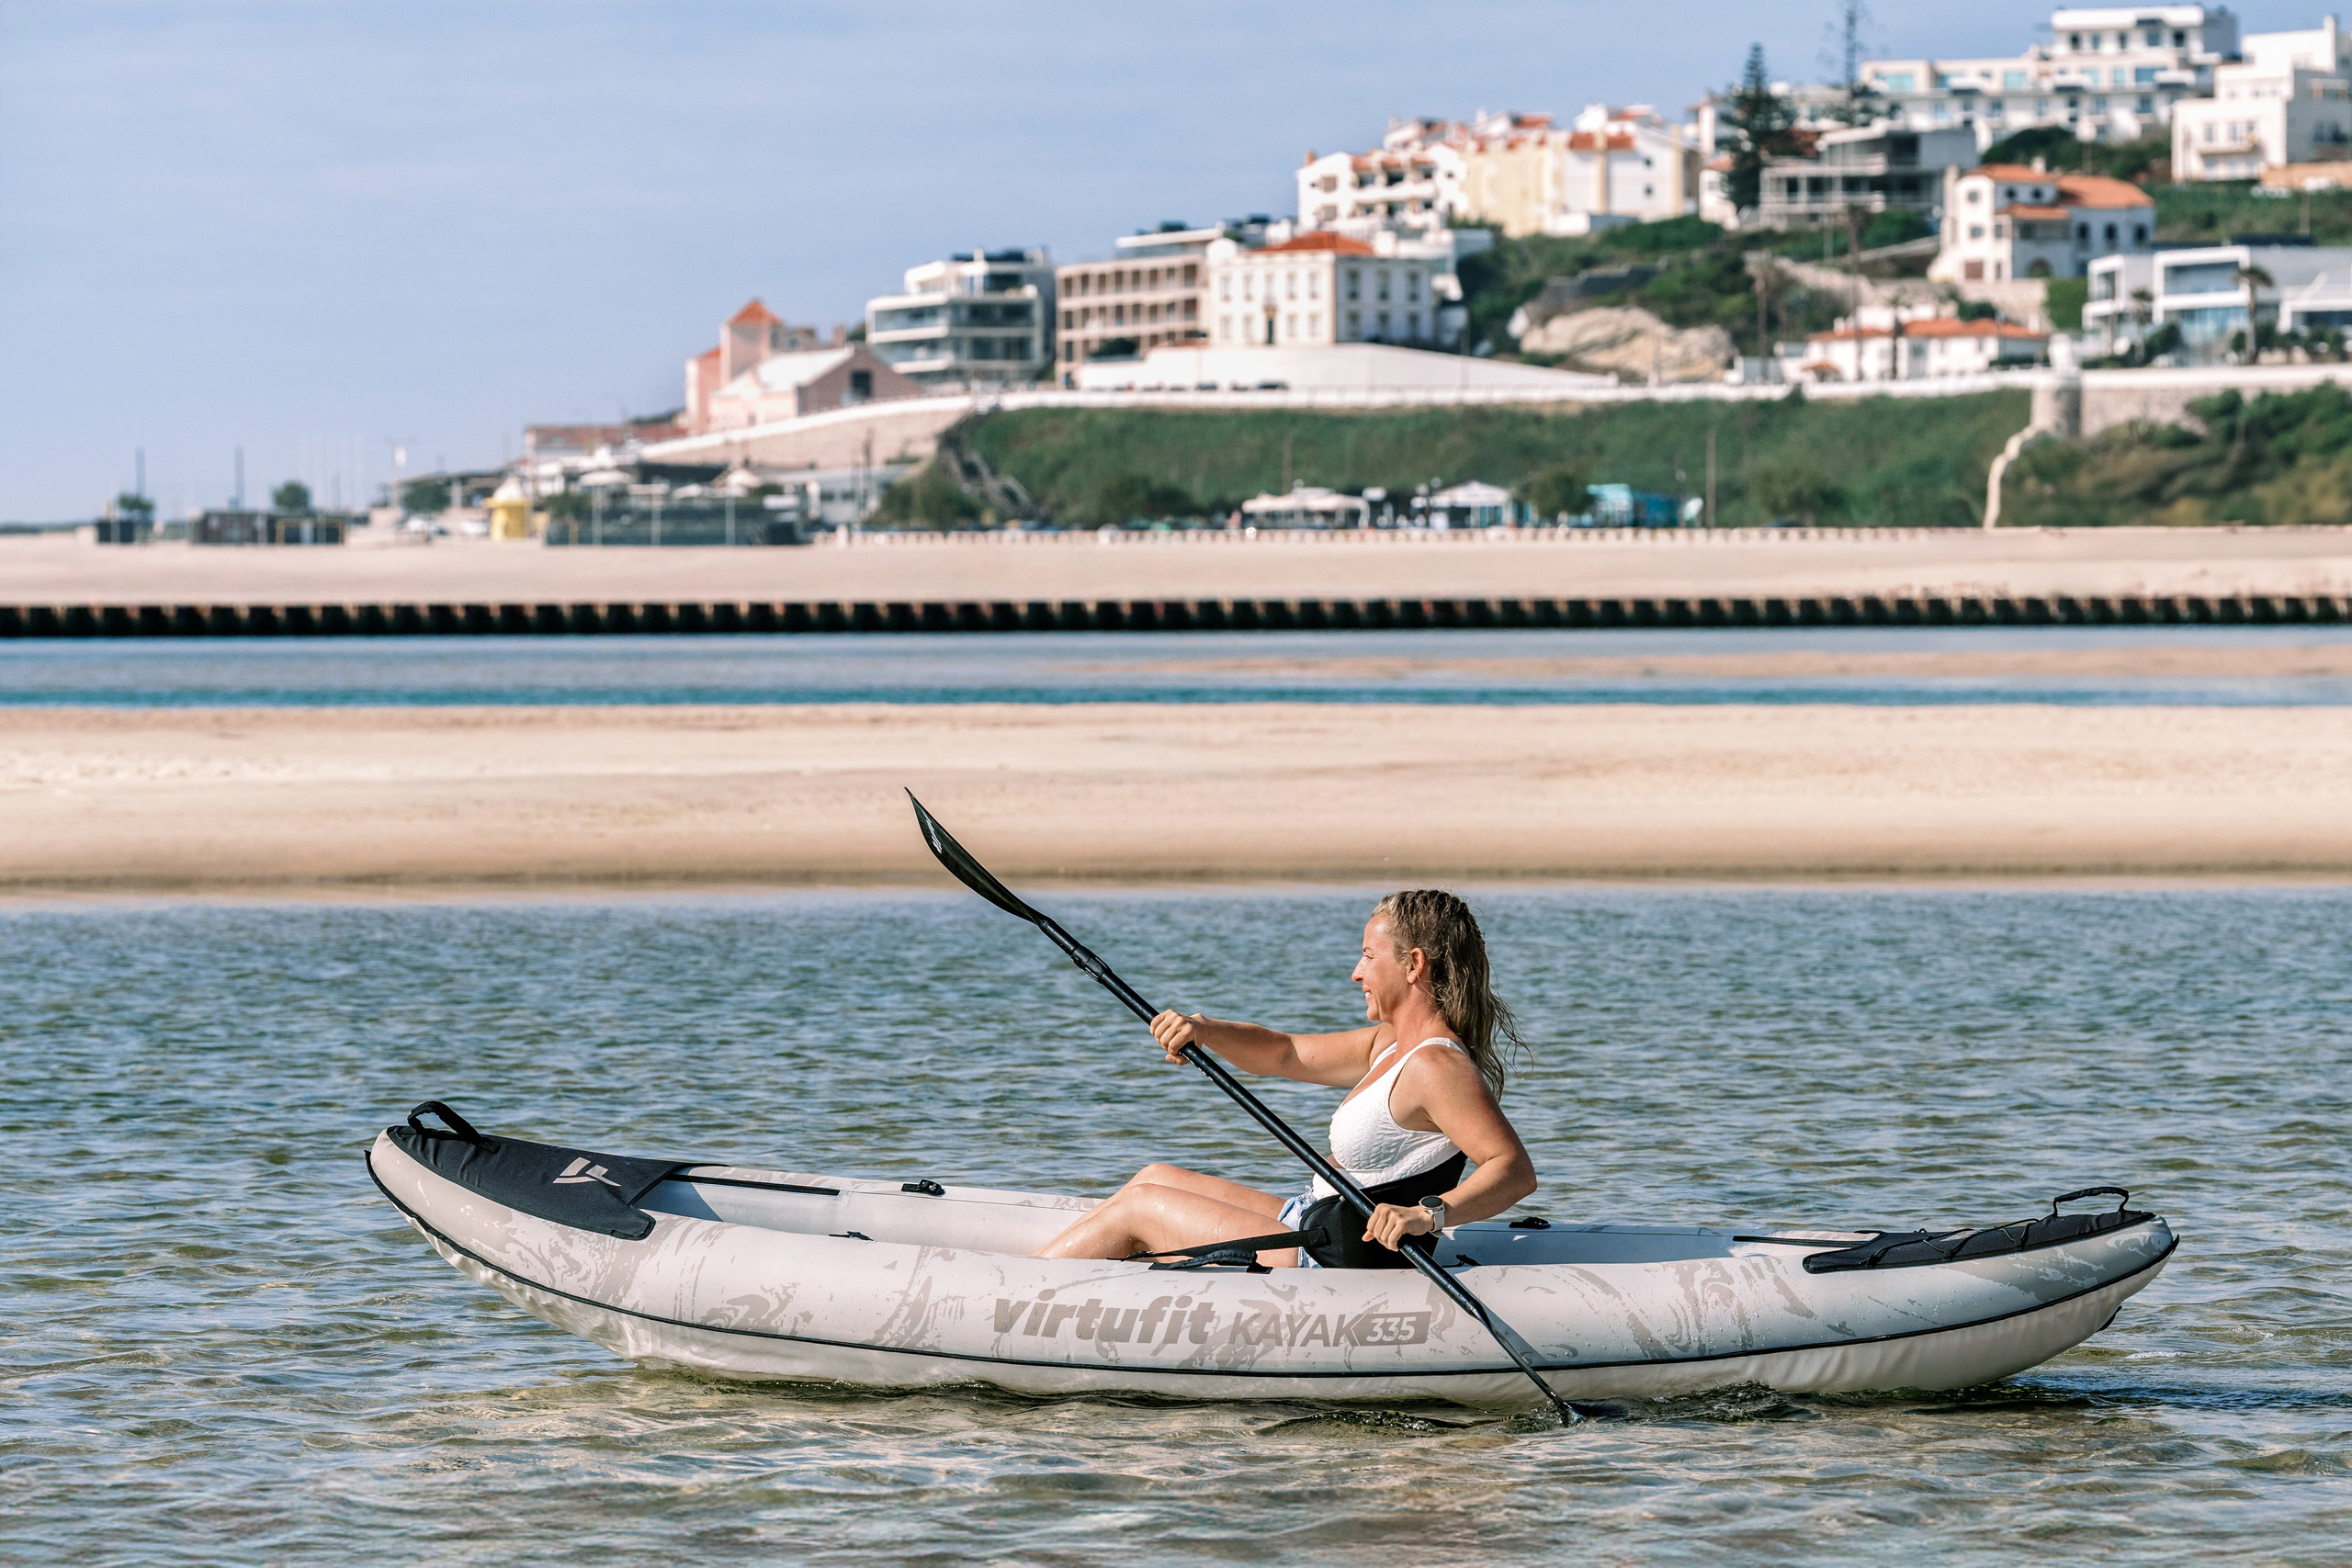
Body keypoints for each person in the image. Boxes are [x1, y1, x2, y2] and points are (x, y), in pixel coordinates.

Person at [1034, 890, 1536, 1269]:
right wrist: (1205, 1031)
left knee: (1140, 1209)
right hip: (1311, 1218)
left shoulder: (1435, 1065)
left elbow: (1512, 1169)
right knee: (1154, 1178)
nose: (1356, 973)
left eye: (1368, 955)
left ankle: (1019, 1292)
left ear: (1414, 965)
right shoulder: (1389, 1045)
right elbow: (1285, 1052)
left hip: (1336, 1257)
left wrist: (1429, 1216)